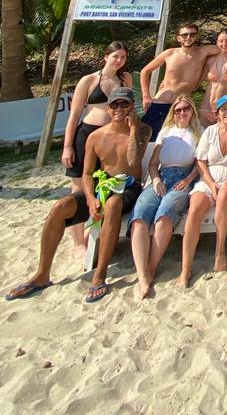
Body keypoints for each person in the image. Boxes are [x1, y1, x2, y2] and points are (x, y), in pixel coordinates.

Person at [6, 89, 150, 303]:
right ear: (108, 109)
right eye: (115, 105)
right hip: (102, 186)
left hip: (128, 188)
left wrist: (133, 128)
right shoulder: (95, 136)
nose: (119, 109)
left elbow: (132, 162)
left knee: (112, 204)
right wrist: (91, 199)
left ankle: (99, 275)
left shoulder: (142, 131)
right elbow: (87, 174)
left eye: (124, 105)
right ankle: (41, 274)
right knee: (60, 206)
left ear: (131, 107)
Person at [61, 41, 134, 256]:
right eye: (115, 57)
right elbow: (74, 116)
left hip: (113, 137)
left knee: (106, 184)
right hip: (87, 134)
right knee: (79, 188)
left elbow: (129, 108)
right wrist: (67, 146)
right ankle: (78, 243)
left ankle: (95, 233)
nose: (119, 60)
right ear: (106, 57)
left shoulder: (126, 79)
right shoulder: (89, 80)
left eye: (122, 57)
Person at [174, 94, 227, 287]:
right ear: (217, 113)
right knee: (193, 211)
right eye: (223, 109)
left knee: (225, 193)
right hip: (209, 179)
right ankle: (186, 269)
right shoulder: (209, 132)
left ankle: (220, 251)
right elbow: (201, 161)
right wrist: (210, 185)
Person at [129, 94, 201, 298]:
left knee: (164, 215)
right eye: (177, 110)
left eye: (186, 109)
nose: (182, 113)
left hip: (183, 178)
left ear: (192, 111)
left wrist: (187, 181)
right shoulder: (166, 132)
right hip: (160, 177)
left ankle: (150, 269)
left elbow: (199, 164)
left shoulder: (198, 132)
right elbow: (153, 164)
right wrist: (156, 179)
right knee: (140, 214)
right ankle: (143, 275)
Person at [140, 23, 227, 140]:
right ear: (178, 38)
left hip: (183, 107)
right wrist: (145, 96)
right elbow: (145, 71)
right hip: (161, 103)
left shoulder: (203, 52)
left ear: (196, 36)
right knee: (147, 140)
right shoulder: (169, 53)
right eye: (184, 35)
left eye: (192, 34)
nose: (188, 37)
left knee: (179, 141)